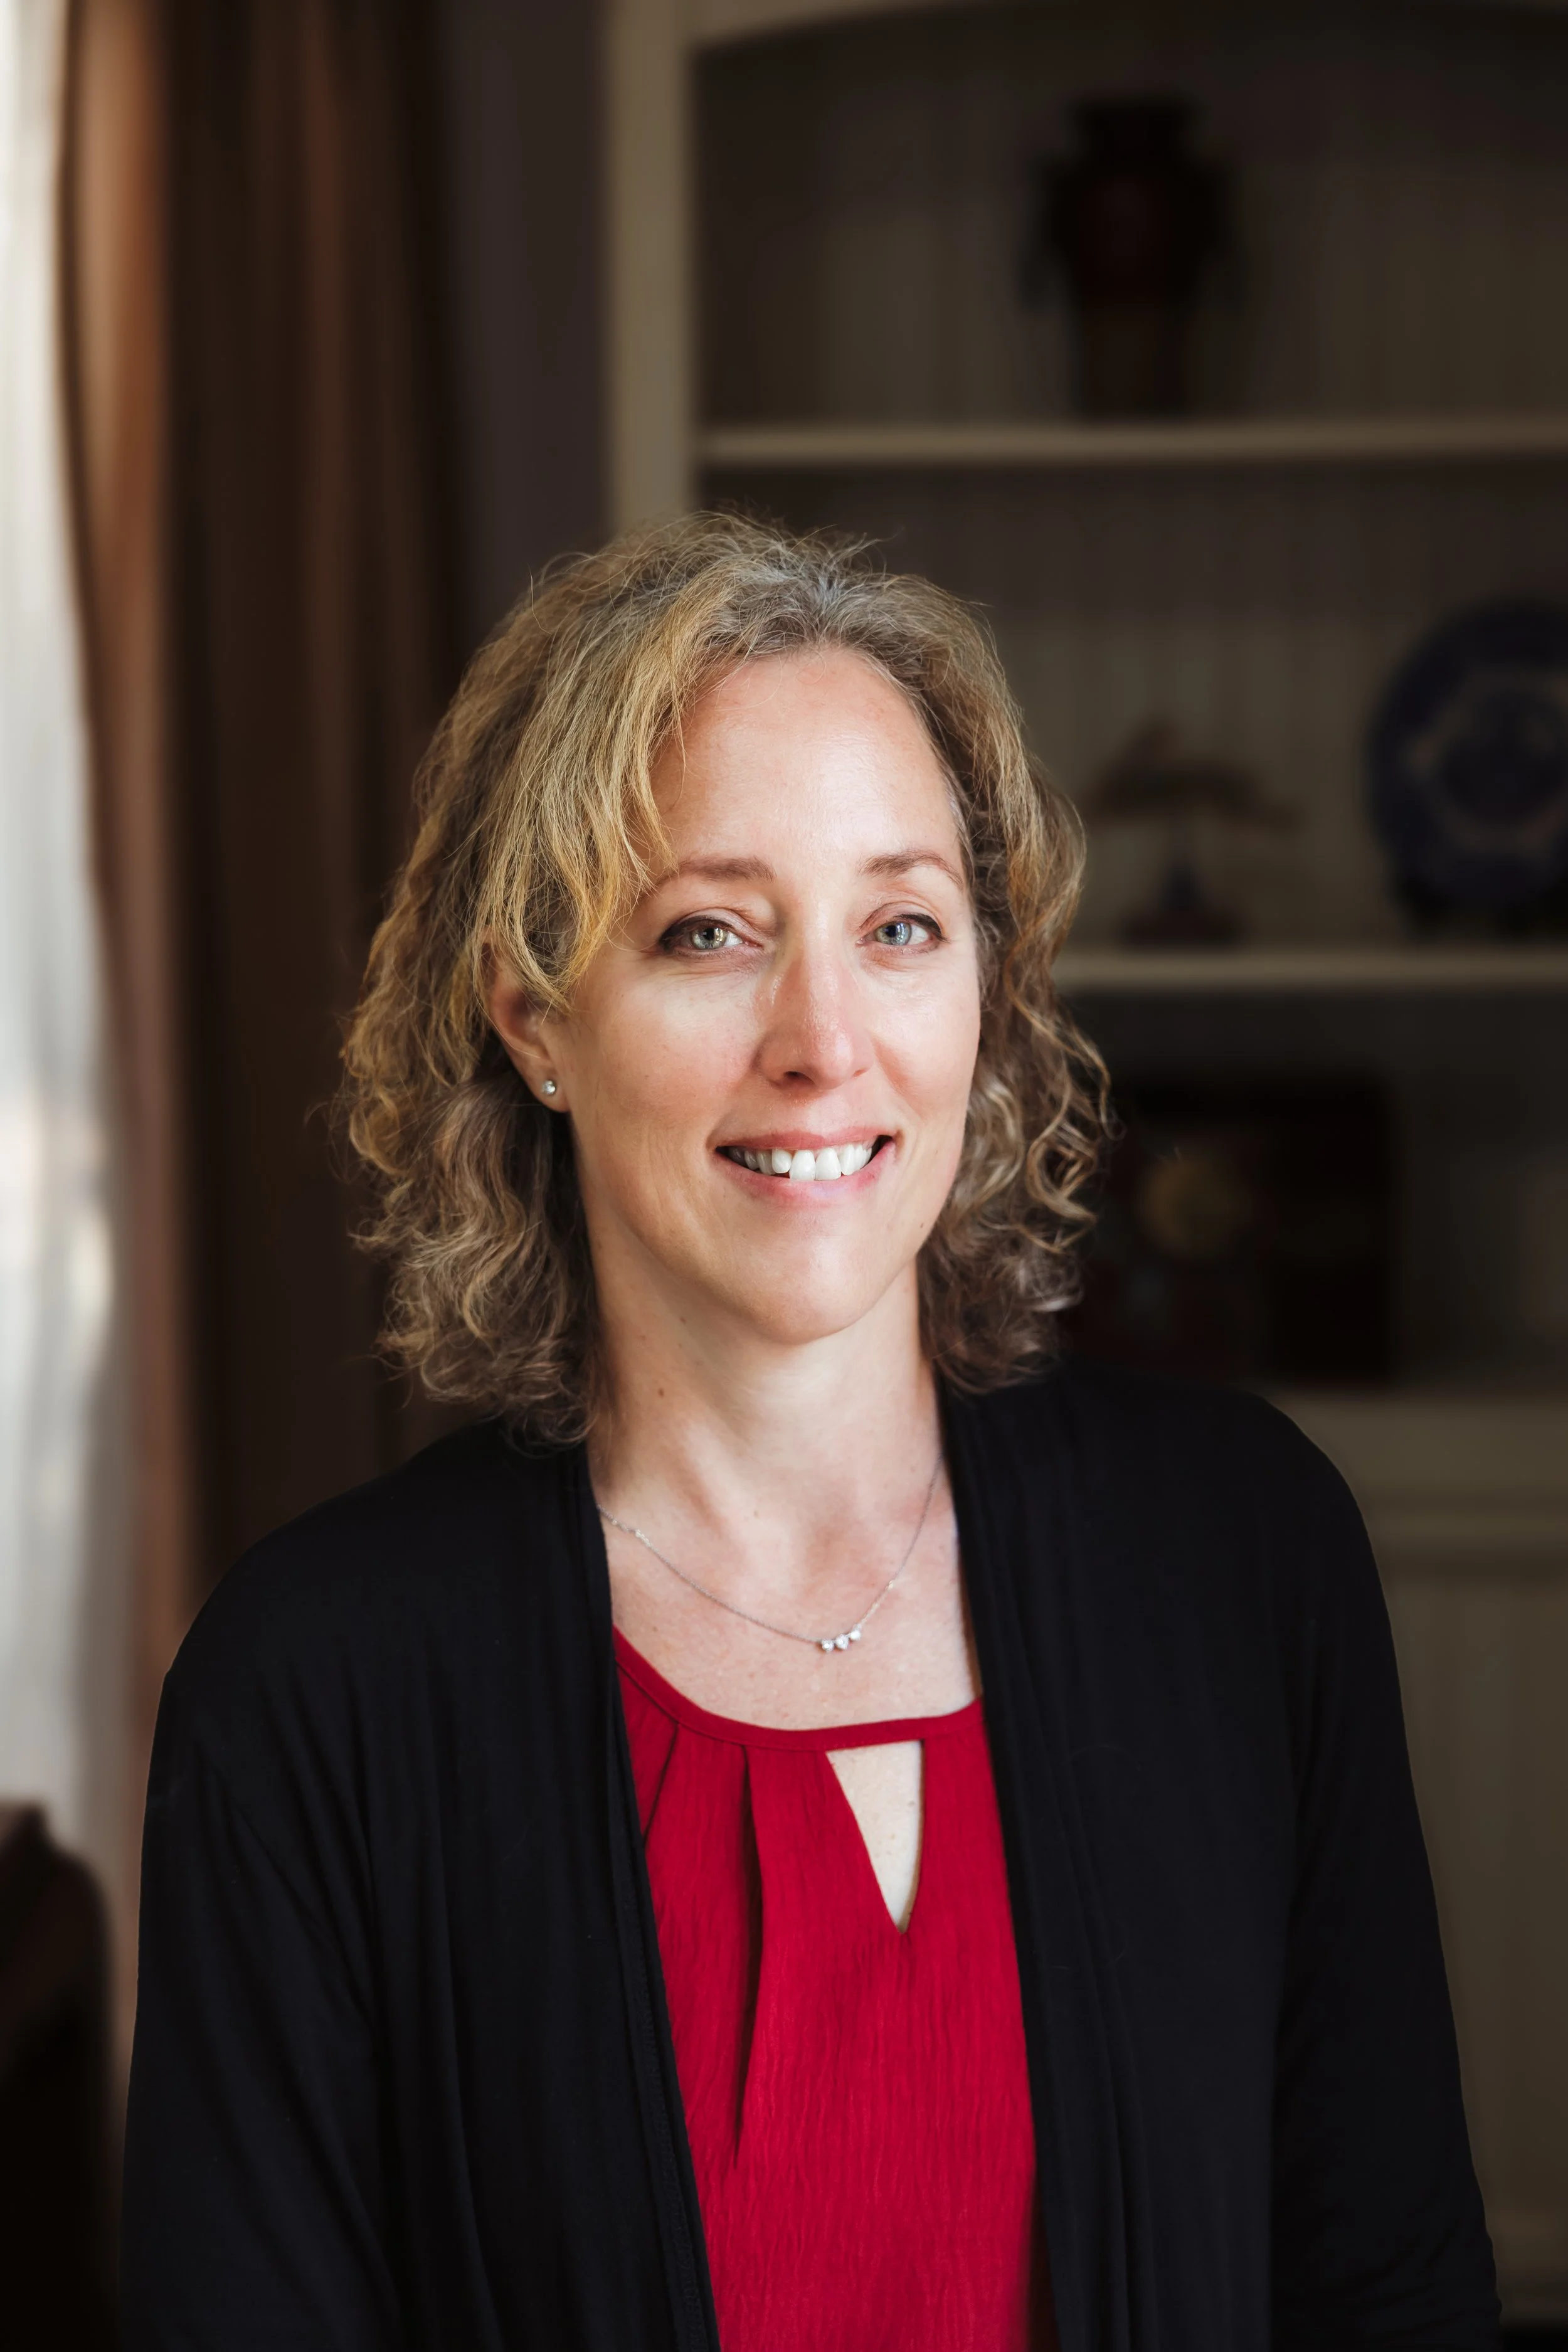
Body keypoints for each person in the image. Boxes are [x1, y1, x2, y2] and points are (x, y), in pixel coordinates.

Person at [120, 514, 1498, 2352]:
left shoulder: (1241, 1556)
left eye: (898, 925)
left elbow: (1386, 2288)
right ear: (535, 1012)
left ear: (981, 995)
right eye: (710, 931)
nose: (823, 1038)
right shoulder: (314, 1686)